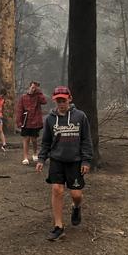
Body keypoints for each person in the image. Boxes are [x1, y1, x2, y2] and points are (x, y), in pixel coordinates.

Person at [35, 86, 93, 241]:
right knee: (57, 190)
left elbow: (86, 140)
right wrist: (41, 159)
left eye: (63, 100)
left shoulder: (80, 116)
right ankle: (58, 227)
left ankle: (76, 207)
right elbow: (46, 141)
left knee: (76, 194)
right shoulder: (50, 119)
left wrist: (86, 160)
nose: (61, 103)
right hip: (57, 160)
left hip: (75, 161)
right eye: (58, 100)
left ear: (70, 99)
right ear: (55, 101)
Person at [15, 81, 47, 165]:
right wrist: (18, 121)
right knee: (26, 139)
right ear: (29, 87)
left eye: (35, 88)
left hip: (35, 122)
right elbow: (19, 109)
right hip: (25, 121)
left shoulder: (38, 96)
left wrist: (39, 92)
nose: (33, 89)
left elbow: (44, 101)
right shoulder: (23, 97)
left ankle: (35, 153)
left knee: (34, 139)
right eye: (32, 87)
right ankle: (25, 157)